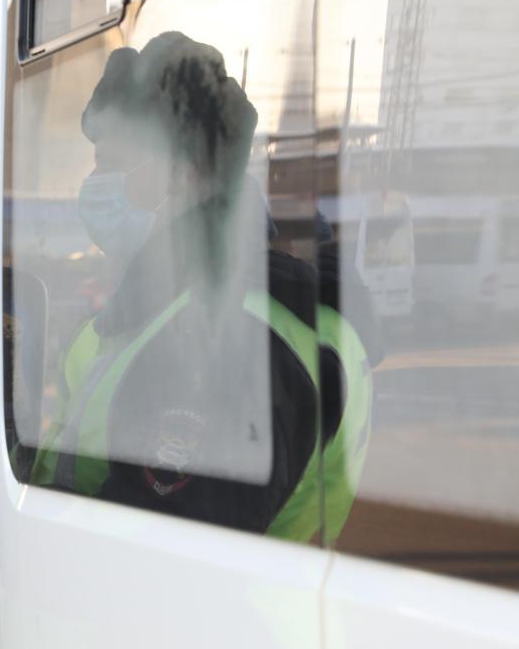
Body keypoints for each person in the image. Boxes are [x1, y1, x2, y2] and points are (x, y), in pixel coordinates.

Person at [19, 32, 379, 540]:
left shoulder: (231, 338)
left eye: (114, 165)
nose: (94, 184)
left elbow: (151, 550)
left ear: (183, 172)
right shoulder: (169, 307)